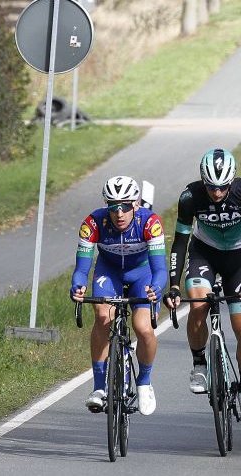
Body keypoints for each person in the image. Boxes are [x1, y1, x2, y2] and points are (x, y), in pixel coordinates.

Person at [163, 149, 241, 424]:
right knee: (197, 304)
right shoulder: (190, 197)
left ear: (231, 182)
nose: (217, 193)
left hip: (240, 258)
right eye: (211, 187)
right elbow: (180, 243)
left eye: (222, 188)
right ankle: (199, 364)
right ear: (203, 182)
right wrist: (173, 284)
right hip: (204, 253)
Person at [72, 176, 167, 416]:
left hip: (142, 275)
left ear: (136, 205)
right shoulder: (93, 223)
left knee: (143, 327)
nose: (119, 213)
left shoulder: (150, 223)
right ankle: (98, 388)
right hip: (109, 272)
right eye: (113, 207)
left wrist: (155, 287)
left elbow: (160, 270)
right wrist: (78, 285)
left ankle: (144, 381)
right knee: (103, 316)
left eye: (125, 206)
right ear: (107, 207)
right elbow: (82, 269)